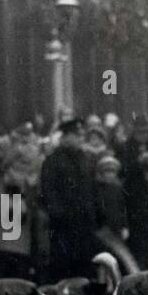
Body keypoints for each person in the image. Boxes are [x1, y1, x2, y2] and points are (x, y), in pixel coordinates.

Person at [39, 117, 98, 282]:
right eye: (77, 135)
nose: (81, 138)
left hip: (85, 225)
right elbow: (48, 192)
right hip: (64, 227)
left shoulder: (85, 159)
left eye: (81, 135)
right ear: (65, 137)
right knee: (63, 271)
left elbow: (91, 190)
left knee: (85, 271)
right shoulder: (53, 160)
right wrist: (60, 214)